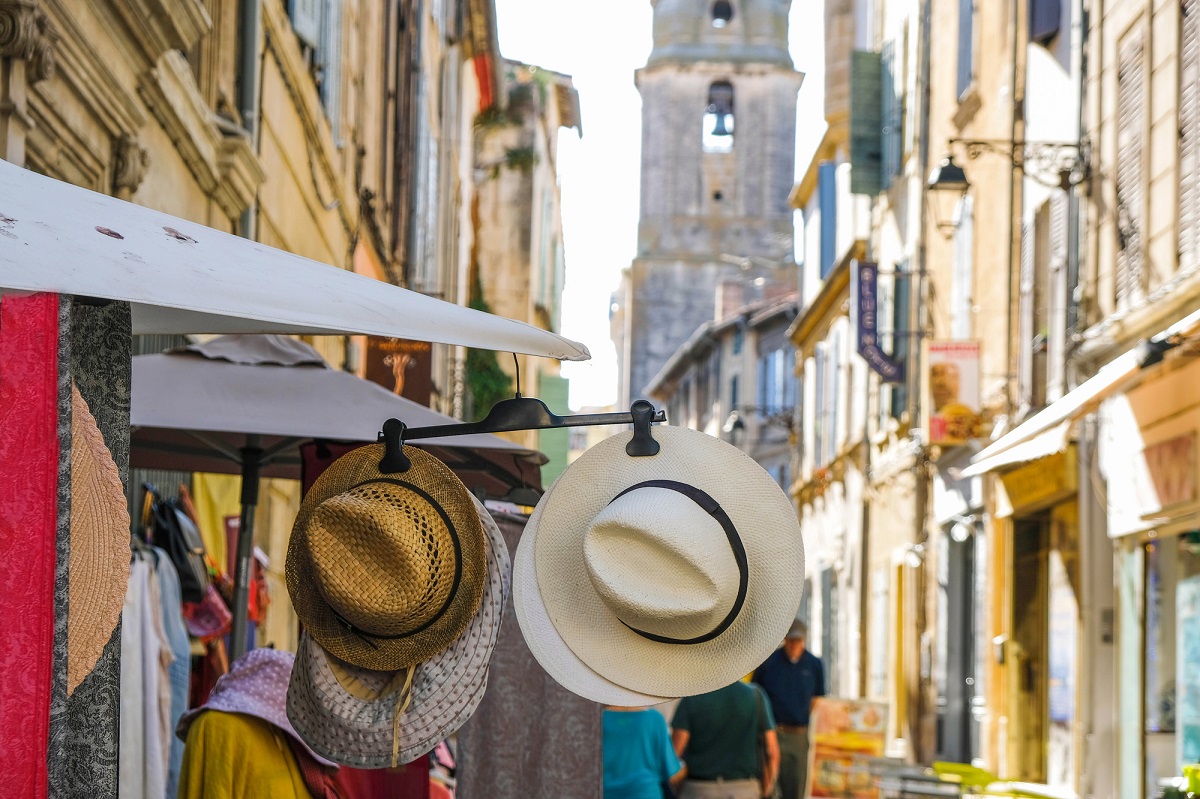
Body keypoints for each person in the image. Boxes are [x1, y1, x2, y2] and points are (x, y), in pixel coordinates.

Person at [752, 621, 826, 799]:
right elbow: (756, 694)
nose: (794, 645)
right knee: (769, 785)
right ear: (785, 639)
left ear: (804, 641)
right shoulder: (769, 662)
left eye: (798, 641)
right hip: (772, 731)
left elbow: (816, 697)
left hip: (798, 734)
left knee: (796, 784)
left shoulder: (814, 664)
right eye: (791, 641)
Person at [670, 681, 779, 799]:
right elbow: (772, 753)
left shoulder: (692, 698)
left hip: (699, 789)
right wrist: (765, 790)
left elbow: (674, 755)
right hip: (745, 789)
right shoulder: (755, 695)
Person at [603, 705, 686, 799]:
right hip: (646, 793)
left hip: (604, 792)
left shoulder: (598, 718)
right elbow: (672, 773)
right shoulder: (654, 719)